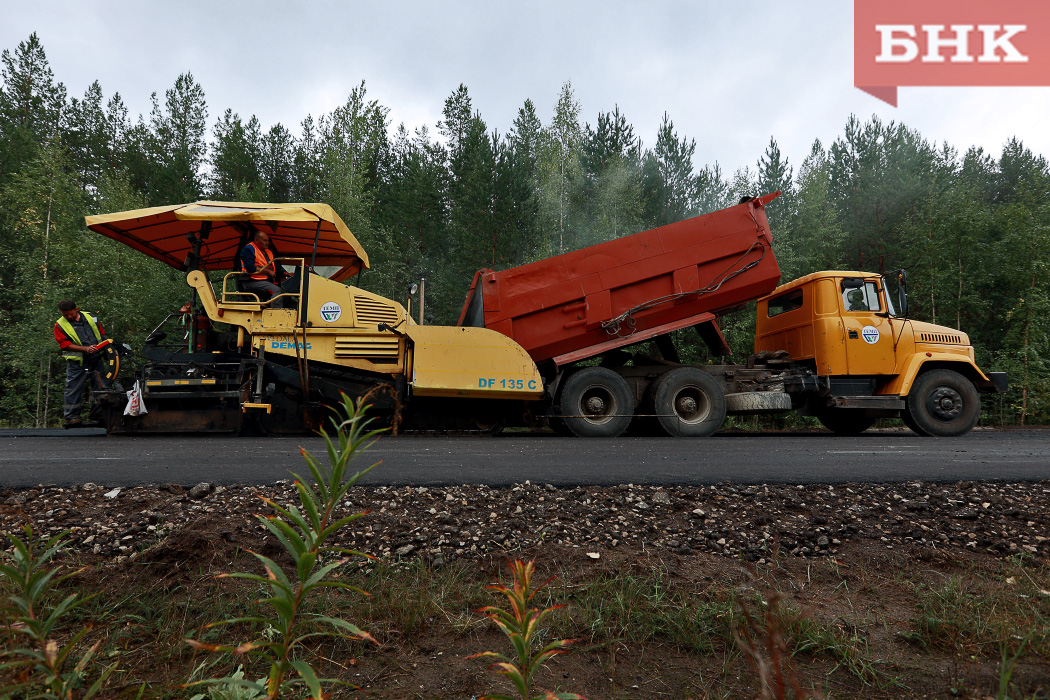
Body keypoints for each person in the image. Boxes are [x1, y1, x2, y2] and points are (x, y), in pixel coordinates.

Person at [54, 300, 107, 428]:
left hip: (96, 358)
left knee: (100, 387)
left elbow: (102, 334)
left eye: (71, 314)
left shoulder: (90, 317)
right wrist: (85, 349)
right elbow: (64, 345)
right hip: (77, 362)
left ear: (76, 309)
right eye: (65, 315)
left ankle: (98, 415)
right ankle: (72, 417)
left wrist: (106, 348)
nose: (68, 317)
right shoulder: (60, 325)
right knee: (73, 389)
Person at [239, 229, 291, 308]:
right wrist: (267, 271)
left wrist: (286, 273)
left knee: (286, 296)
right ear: (256, 240)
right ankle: (274, 314)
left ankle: (271, 308)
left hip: (266, 282)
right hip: (251, 281)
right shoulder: (248, 249)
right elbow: (250, 268)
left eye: (268, 241)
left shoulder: (268, 252)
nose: (267, 243)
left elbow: (275, 265)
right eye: (265, 241)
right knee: (277, 291)